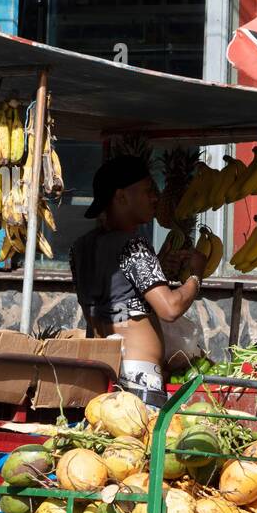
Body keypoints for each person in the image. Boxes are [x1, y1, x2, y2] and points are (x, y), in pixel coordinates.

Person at [69, 155, 207, 406]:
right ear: (121, 197)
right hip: (138, 381)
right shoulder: (133, 245)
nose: (155, 198)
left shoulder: (80, 248)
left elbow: (114, 301)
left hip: (100, 373)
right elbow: (170, 308)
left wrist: (160, 270)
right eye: (147, 191)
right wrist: (196, 276)